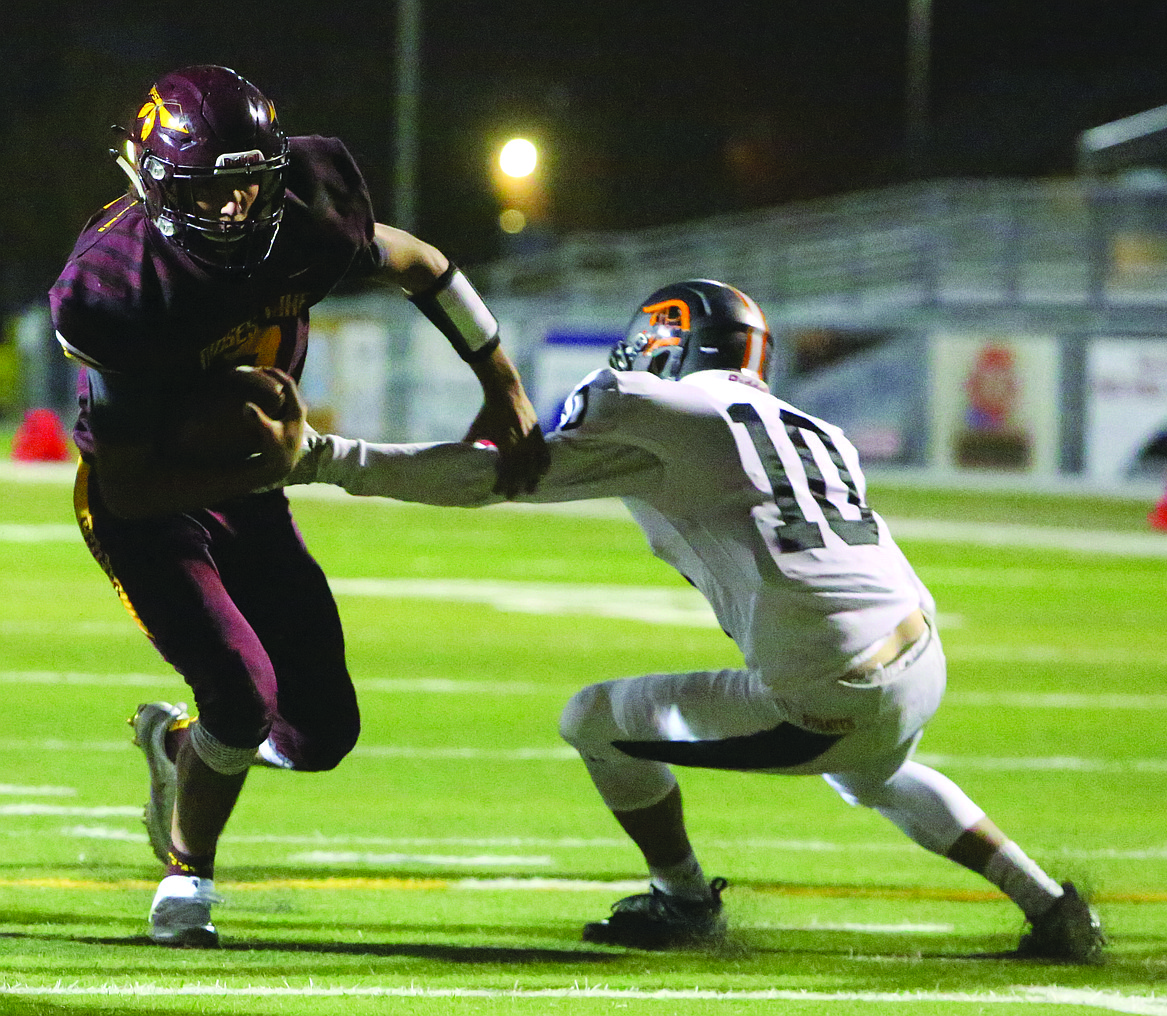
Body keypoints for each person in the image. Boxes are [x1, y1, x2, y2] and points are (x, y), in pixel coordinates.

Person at [286, 279, 1105, 963]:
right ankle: (1049, 904)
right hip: (921, 655)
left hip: (830, 681)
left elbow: (487, 478)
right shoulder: (822, 433)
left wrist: (325, 460)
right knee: (871, 771)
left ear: (675, 341)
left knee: (595, 721)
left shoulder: (649, 405)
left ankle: (682, 902)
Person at [48, 64, 548, 948]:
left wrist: (501, 382)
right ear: (155, 187)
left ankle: (180, 751)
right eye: (214, 191)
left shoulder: (309, 208)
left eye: (251, 183)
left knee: (319, 734)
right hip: (145, 497)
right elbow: (129, 482)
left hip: (251, 482)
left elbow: (420, 266)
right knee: (240, 693)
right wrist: (281, 461)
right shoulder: (116, 286)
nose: (238, 208)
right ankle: (187, 875)